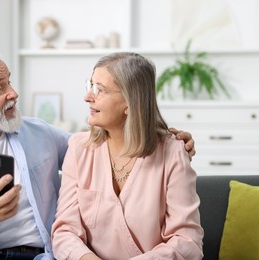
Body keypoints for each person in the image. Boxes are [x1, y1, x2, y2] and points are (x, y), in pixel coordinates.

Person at [0, 47, 196, 260]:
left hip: (44, 255)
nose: (13, 93)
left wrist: (166, 138)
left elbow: (106, 150)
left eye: (9, 82)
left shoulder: (39, 134)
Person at [51, 52, 204, 260]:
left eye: (99, 89)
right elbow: (64, 232)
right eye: (89, 85)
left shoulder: (173, 152)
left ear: (130, 102)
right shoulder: (79, 148)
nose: (87, 97)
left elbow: (187, 241)